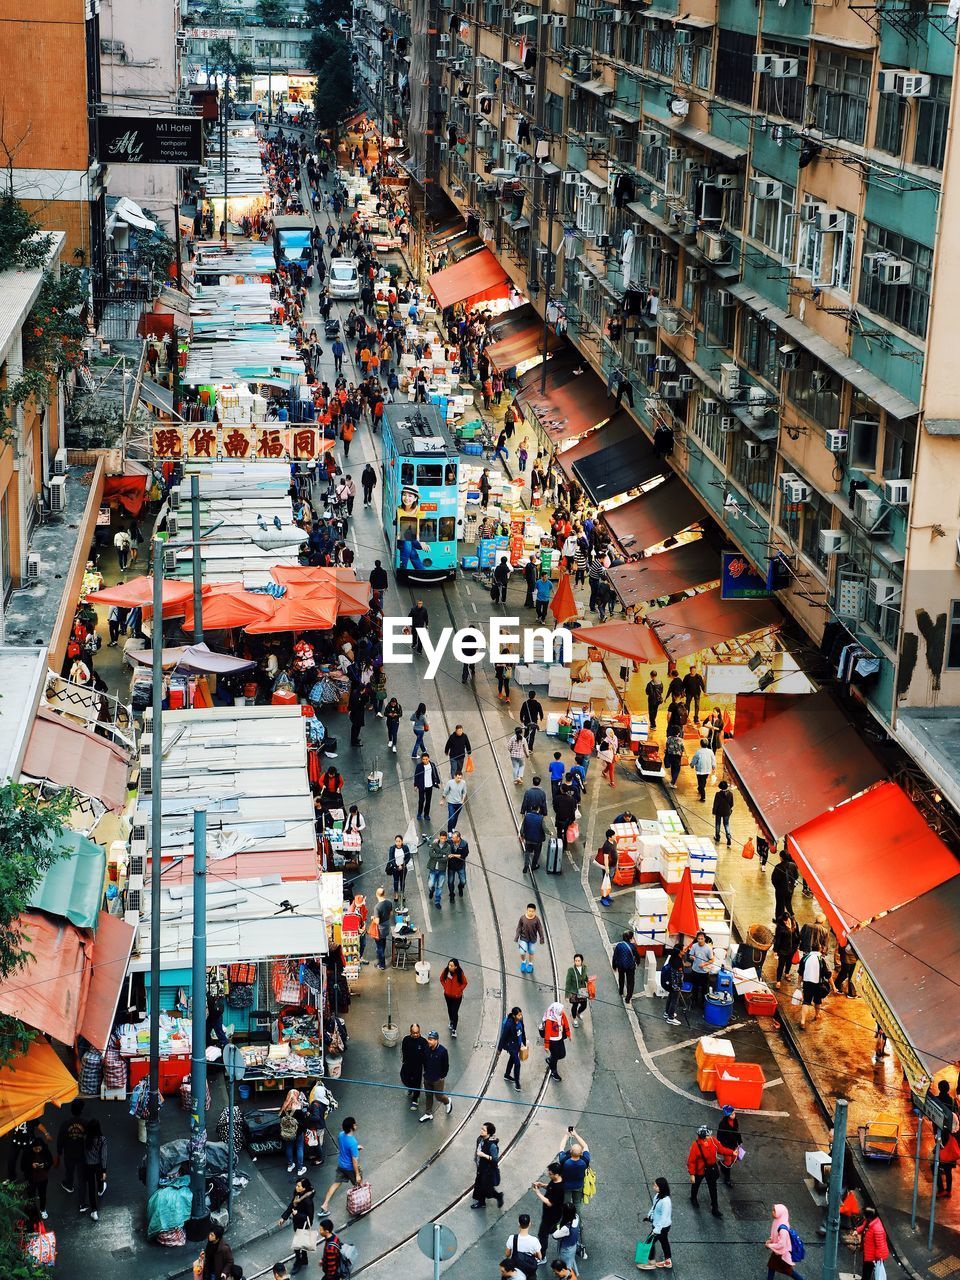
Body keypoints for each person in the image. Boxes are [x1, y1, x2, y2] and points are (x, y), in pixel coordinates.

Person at [319, 1116, 362, 1212]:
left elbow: (344, 1147)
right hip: (350, 1168)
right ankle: (359, 1204)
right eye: (355, 1124)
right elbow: (354, 1160)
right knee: (359, 1185)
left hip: (341, 1165)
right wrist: (357, 1175)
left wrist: (355, 1148)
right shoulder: (353, 1142)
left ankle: (325, 1204)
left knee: (336, 1184)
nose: (356, 1125)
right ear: (352, 1127)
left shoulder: (341, 1135)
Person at [279, 1176, 316, 1274]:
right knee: (302, 1243)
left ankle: (298, 1262)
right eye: (296, 1185)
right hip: (297, 1223)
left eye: (299, 1186)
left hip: (303, 1225)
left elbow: (310, 1217)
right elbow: (292, 1205)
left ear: (304, 1188)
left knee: (297, 1245)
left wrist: (297, 1214)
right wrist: (284, 1217)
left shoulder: (308, 1201)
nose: (296, 1187)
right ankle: (304, 1259)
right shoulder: (297, 1194)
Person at [687, 1124, 723, 1217]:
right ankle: (693, 1197)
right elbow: (691, 1161)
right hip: (700, 1170)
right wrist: (692, 1174)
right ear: (703, 1137)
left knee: (713, 1189)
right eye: (708, 1135)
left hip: (711, 1169)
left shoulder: (712, 1140)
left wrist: (732, 1153)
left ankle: (715, 1208)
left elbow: (721, 1149)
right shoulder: (696, 1145)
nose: (710, 1136)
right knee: (696, 1184)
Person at [639, 1177, 673, 1270]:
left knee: (649, 1242)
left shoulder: (665, 1202)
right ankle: (668, 1260)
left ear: (661, 1187)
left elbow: (663, 1218)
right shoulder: (658, 1195)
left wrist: (656, 1230)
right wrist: (649, 1216)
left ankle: (651, 1262)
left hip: (661, 1227)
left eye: (656, 1186)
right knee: (664, 1241)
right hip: (661, 1225)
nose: (654, 1187)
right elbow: (654, 1207)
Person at [765, 1204, 806, 1280]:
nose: (772, 1212)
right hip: (778, 1252)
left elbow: (781, 1244)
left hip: (782, 1253)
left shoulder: (782, 1229)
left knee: (788, 1271)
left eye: (774, 1211)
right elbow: (776, 1236)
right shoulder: (778, 1221)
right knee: (772, 1266)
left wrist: (770, 1246)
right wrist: (771, 1241)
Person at [420, 1030, 453, 1121]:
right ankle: (428, 1113)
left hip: (437, 1079)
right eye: (428, 1039)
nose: (429, 1041)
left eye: (431, 1039)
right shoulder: (426, 1048)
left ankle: (447, 1101)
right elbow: (424, 1061)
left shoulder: (442, 1051)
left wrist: (442, 1076)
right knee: (428, 1095)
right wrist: (425, 1072)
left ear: (436, 1040)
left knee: (439, 1096)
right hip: (427, 1077)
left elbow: (446, 1066)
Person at [533, 1163, 566, 1253]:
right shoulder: (556, 1180)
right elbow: (551, 1186)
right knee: (550, 1229)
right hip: (551, 1214)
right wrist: (542, 1185)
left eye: (550, 1173)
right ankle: (555, 1229)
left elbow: (549, 1203)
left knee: (542, 1234)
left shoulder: (559, 1188)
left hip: (551, 1216)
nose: (548, 1174)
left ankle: (542, 1255)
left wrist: (538, 1193)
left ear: (556, 1174)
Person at [471, 1122, 504, 1209]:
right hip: (481, 1168)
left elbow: (495, 1159)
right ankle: (481, 1202)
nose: (481, 1131)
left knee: (486, 1188)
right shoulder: (480, 1139)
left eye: (483, 1130)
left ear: (488, 1133)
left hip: (488, 1171)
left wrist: (483, 1155)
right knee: (479, 1186)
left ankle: (498, 1196)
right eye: (481, 1129)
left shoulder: (492, 1145)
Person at [57, 1098, 87, 1194]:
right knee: (81, 1171)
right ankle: (82, 1188)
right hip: (81, 1152)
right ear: (82, 1111)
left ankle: (68, 1185)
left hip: (69, 1152)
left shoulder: (65, 1124)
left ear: (71, 1110)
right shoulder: (85, 1123)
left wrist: (59, 1151)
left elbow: (60, 1138)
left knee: (69, 1170)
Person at [21, 1131, 54, 1221]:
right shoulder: (27, 1152)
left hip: (43, 1178)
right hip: (31, 1178)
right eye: (36, 1149)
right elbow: (22, 1166)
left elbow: (50, 1162)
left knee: (42, 1195)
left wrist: (45, 1165)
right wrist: (31, 1165)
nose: (38, 1151)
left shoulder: (45, 1151)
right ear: (32, 1148)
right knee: (31, 1195)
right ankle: (33, 1211)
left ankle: (42, 1209)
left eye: (39, 1149)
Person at [280, 1088, 309, 1176]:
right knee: (299, 1148)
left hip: (287, 1131)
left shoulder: (285, 1106)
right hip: (298, 1131)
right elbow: (303, 1121)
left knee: (289, 1147)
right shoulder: (299, 1107)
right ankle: (300, 1168)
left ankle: (290, 1165)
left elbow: (280, 1117)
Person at [799, 942, 828, 1030]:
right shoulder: (821, 959)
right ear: (820, 949)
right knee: (817, 1001)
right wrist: (834, 987)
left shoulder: (805, 958)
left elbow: (800, 973)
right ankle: (816, 1015)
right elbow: (827, 974)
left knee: (806, 1001)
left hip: (807, 983)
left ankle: (803, 1021)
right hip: (818, 984)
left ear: (811, 948)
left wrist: (798, 984)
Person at [558, 1127, 591, 1206]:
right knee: (577, 1202)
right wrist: (575, 1134)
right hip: (578, 1185)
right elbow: (585, 1146)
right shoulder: (585, 1160)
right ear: (581, 1153)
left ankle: (567, 1215)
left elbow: (561, 1147)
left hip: (566, 1185)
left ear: (570, 1151)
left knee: (566, 1203)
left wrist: (566, 1134)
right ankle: (577, 1216)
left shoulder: (564, 1160)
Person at [540, 1001, 571, 1081]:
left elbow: (566, 1023)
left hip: (559, 1038)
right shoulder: (550, 1020)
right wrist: (546, 1046)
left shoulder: (561, 1014)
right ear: (556, 1010)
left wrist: (568, 1034)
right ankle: (554, 1071)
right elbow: (547, 1033)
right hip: (552, 1041)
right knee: (555, 1056)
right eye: (560, 1011)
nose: (562, 1012)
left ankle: (550, 1060)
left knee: (562, 1054)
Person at [498, 1006, 526, 1090]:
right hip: (511, 1046)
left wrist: (524, 1043)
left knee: (512, 1059)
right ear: (514, 1016)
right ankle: (517, 1083)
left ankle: (507, 1075)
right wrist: (499, 1049)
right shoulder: (509, 1024)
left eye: (521, 1014)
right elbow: (503, 1037)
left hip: (518, 1044)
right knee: (517, 1063)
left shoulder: (520, 1020)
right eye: (519, 1015)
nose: (520, 1016)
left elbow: (523, 1031)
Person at [400, 1023, 427, 1109]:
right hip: (407, 1064)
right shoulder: (406, 1039)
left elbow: (426, 1055)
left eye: (417, 1032)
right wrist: (403, 1060)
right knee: (404, 1077)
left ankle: (415, 1099)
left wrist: (425, 1067)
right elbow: (403, 1050)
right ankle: (410, 1087)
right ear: (410, 1032)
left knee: (417, 1082)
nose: (415, 1034)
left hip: (418, 1066)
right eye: (414, 1033)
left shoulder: (423, 1042)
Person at [440, 958, 468, 1037]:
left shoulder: (460, 973)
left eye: (452, 966)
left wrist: (459, 990)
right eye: (449, 965)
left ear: (456, 966)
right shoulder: (446, 971)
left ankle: (454, 1029)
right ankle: (451, 1022)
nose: (450, 967)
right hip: (447, 996)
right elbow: (441, 979)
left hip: (457, 997)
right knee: (450, 1010)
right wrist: (445, 987)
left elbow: (465, 983)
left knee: (454, 1012)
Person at [516, 903, 545, 975]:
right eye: (529, 911)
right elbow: (519, 927)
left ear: (535, 911)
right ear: (527, 910)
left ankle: (530, 964)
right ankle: (523, 962)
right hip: (523, 938)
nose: (531, 912)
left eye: (532, 911)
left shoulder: (536, 919)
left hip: (532, 939)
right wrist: (517, 936)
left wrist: (542, 938)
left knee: (531, 952)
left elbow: (540, 929)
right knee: (522, 952)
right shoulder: (522, 918)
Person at [716, 1105, 742, 1187]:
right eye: (732, 1114)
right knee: (728, 1162)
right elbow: (719, 1136)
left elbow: (737, 1132)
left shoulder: (735, 1121)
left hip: (734, 1144)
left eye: (734, 1113)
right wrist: (721, 1144)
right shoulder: (723, 1124)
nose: (734, 1115)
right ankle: (727, 1179)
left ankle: (721, 1164)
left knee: (734, 1159)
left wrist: (739, 1141)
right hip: (726, 1145)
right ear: (728, 1115)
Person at [772, 911, 800, 987]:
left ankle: (787, 973)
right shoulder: (780, 927)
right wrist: (775, 950)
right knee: (781, 965)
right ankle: (778, 980)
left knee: (789, 962)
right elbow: (778, 939)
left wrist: (797, 944)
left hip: (792, 948)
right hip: (783, 950)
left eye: (787, 920)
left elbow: (798, 934)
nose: (786, 922)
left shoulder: (794, 923)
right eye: (784, 920)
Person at [687, 931, 714, 1007]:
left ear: (704, 939)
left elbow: (712, 960)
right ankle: (694, 1002)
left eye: (701, 939)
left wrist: (704, 964)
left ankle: (703, 1003)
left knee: (704, 989)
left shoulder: (708, 948)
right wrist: (691, 957)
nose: (700, 940)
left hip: (704, 972)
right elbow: (690, 955)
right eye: (698, 939)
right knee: (695, 987)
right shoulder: (694, 946)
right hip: (695, 970)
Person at [552, 1203, 581, 1274]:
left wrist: (557, 1225)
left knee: (565, 1266)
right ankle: (574, 1273)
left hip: (566, 1249)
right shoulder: (576, 1217)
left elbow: (554, 1235)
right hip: (573, 1245)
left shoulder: (566, 1228)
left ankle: (567, 1276)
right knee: (570, 1260)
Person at [612, 930, 638, 1003]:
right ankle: (628, 998)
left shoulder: (619, 945)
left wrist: (614, 966)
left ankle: (621, 991)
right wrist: (638, 962)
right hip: (630, 966)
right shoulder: (632, 947)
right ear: (630, 938)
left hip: (621, 965)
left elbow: (615, 956)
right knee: (630, 982)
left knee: (621, 978)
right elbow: (637, 956)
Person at [661, 944, 685, 1025]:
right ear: (680, 951)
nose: (685, 950)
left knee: (670, 998)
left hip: (670, 984)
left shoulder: (673, 958)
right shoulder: (678, 962)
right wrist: (679, 986)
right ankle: (670, 1017)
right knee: (674, 1001)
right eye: (683, 949)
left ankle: (667, 1012)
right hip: (675, 985)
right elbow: (678, 975)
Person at [565, 953, 590, 1028]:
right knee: (575, 1005)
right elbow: (568, 982)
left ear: (582, 961)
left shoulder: (584, 968)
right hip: (574, 991)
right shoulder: (571, 970)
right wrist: (567, 995)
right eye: (576, 961)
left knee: (584, 1005)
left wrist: (588, 980)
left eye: (578, 961)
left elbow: (585, 976)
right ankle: (574, 1019)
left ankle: (578, 1013)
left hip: (582, 990)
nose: (577, 962)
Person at [426, 831, 450, 907]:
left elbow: (446, 859)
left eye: (444, 838)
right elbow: (431, 854)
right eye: (441, 838)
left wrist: (437, 856)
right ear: (439, 837)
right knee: (430, 884)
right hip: (433, 868)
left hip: (441, 870)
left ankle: (437, 901)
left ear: (446, 839)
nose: (442, 840)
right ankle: (431, 890)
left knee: (439, 887)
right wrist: (442, 855)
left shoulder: (448, 847)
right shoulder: (434, 844)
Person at [414, 752, 441, 821]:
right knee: (421, 800)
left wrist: (437, 782)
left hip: (429, 786)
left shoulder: (432, 765)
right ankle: (419, 813)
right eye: (423, 759)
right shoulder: (419, 766)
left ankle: (426, 814)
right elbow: (416, 776)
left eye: (426, 759)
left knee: (428, 801)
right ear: (421, 760)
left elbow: (435, 773)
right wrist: (415, 785)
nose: (425, 761)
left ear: (429, 759)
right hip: (422, 786)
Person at [772, 850, 798, 919]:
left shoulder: (778, 867)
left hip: (780, 890)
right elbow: (796, 876)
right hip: (790, 889)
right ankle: (792, 917)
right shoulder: (793, 865)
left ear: (781, 857)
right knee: (788, 903)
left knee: (780, 905)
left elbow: (774, 879)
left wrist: (777, 888)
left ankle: (779, 919)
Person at [372, 886, 393, 970]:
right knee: (383, 943)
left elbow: (377, 921)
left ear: (376, 895)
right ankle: (380, 959)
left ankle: (382, 964)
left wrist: (373, 918)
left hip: (379, 930)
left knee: (379, 947)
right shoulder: (389, 902)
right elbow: (391, 914)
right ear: (384, 894)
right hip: (386, 927)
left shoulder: (377, 907)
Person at [521, 807, 546, 873]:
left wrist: (522, 835)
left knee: (527, 851)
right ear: (538, 809)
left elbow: (522, 827)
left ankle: (526, 864)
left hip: (528, 838)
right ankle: (533, 865)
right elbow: (545, 829)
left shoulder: (527, 816)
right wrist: (550, 833)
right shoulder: (541, 818)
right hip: (537, 840)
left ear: (531, 808)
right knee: (537, 852)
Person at [386, 834, 411, 900]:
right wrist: (396, 866)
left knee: (402, 881)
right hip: (395, 868)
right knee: (396, 881)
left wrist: (402, 865)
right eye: (396, 841)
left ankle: (402, 893)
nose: (398, 843)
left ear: (402, 841)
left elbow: (408, 857)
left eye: (399, 841)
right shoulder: (392, 848)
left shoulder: (405, 848)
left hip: (403, 868)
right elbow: (391, 859)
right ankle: (396, 893)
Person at [447, 830, 469, 900]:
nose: (452, 839)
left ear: (458, 838)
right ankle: (451, 894)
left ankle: (460, 887)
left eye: (453, 838)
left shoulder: (464, 844)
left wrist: (453, 855)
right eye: (452, 838)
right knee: (450, 882)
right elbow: (444, 841)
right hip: (451, 866)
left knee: (463, 881)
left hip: (460, 866)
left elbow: (464, 855)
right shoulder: (450, 842)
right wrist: (437, 840)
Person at [712, 780, 734, 846]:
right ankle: (728, 838)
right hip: (727, 811)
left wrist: (713, 812)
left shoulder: (718, 794)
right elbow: (732, 804)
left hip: (719, 811)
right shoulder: (730, 794)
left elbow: (715, 804)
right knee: (726, 824)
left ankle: (717, 837)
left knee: (718, 824)